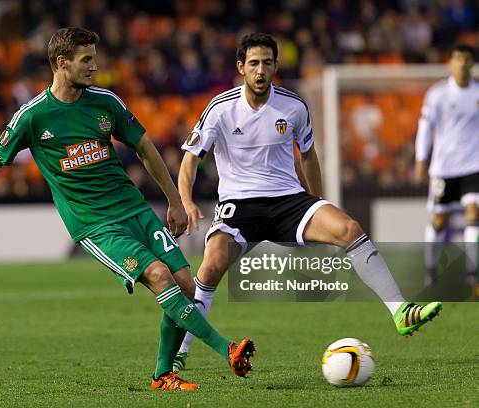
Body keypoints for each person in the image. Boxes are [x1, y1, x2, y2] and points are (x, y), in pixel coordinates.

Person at [0, 27, 255, 391]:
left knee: (186, 285)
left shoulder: (106, 102)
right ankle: (226, 348)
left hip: (134, 209)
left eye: (94, 58)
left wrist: (174, 201)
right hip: (96, 225)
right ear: (62, 63)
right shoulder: (33, 116)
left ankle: (163, 375)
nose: (94, 66)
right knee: (158, 275)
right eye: (86, 59)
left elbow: (145, 149)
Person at [173, 33, 442, 372]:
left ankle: (401, 311)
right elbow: (190, 159)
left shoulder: (293, 106)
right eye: (253, 63)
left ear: (275, 66)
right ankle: (180, 350)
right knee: (210, 267)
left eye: (267, 63)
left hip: (288, 200)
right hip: (239, 205)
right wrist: (185, 200)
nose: (260, 70)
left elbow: (309, 156)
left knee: (349, 228)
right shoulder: (220, 108)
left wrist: (316, 202)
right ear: (241, 67)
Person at [415, 44, 478, 291]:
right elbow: (425, 129)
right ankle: (431, 270)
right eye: (458, 58)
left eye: (467, 59)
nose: (462, 63)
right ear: (450, 63)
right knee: (440, 220)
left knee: (474, 213)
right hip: (444, 169)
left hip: (474, 166)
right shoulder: (437, 94)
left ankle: (473, 275)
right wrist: (422, 159)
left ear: (472, 63)